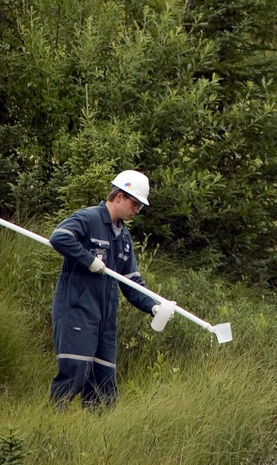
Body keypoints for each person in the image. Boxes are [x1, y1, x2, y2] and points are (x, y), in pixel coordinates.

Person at [48, 169, 162, 408]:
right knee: (74, 373)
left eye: (141, 206)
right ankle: (50, 428)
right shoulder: (88, 218)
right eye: (135, 204)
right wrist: (88, 260)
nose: (137, 210)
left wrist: (154, 307)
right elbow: (59, 237)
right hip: (76, 311)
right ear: (119, 196)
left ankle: (98, 436)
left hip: (105, 319)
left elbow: (132, 283)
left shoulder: (125, 239)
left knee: (104, 385)